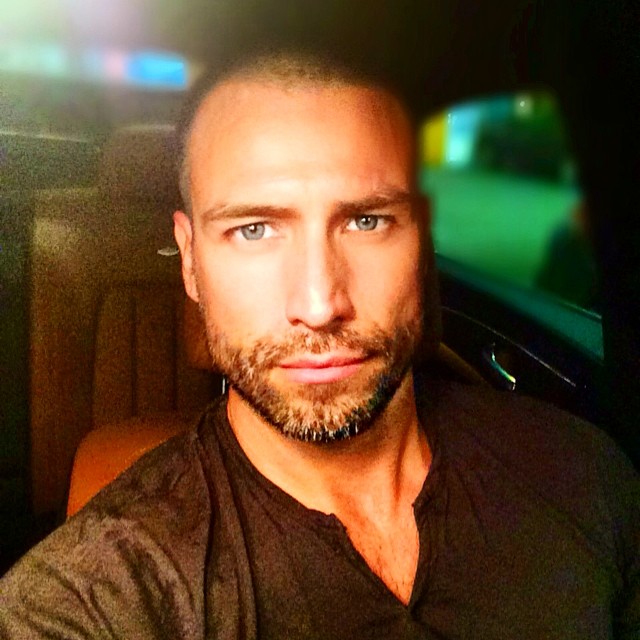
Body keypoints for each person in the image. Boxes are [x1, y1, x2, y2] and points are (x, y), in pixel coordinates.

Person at [1, 50, 638, 639]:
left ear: (422, 238)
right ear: (189, 260)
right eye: (254, 229)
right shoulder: (94, 593)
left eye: (367, 220)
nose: (319, 304)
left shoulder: (585, 475)